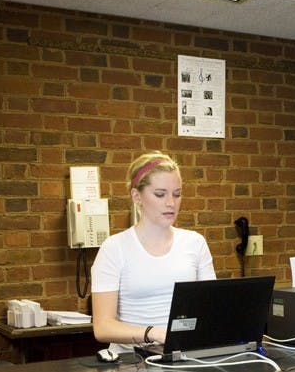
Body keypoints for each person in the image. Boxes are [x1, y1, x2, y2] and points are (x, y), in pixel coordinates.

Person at [91, 151, 216, 352]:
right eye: (160, 194)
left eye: (177, 194)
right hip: (132, 361)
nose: (171, 203)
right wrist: (154, 333)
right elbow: (103, 326)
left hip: (182, 356)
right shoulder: (114, 248)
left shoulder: (195, 243)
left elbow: (210, 308)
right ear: (136, 196)